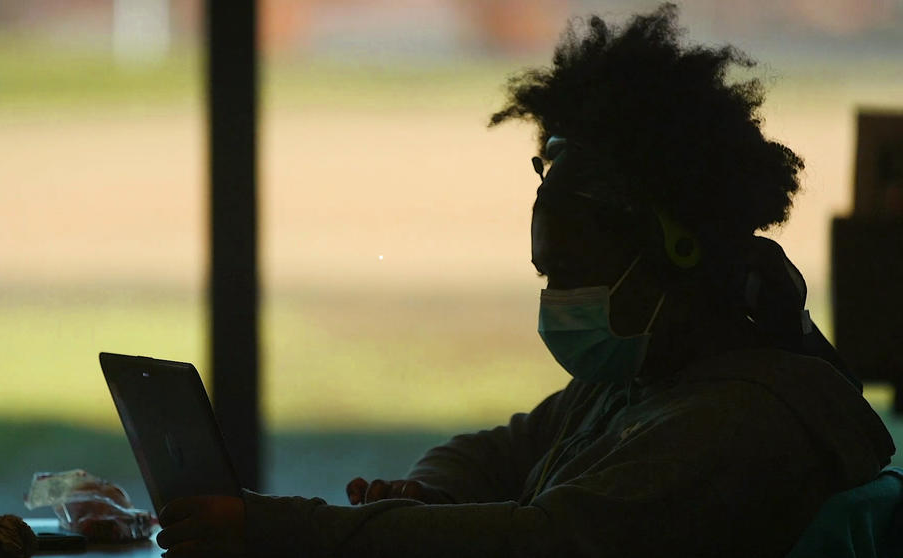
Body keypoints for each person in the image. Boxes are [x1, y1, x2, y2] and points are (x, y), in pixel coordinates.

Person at [155, 5, 895, 557]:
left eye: (573, 274)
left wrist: (277, 530)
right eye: (548, 274)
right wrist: (430, 493)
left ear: (678, 252)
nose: (555, 301)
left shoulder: (737, 423)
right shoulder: (649, 380)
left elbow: (539, 544)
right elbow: (497, 453)